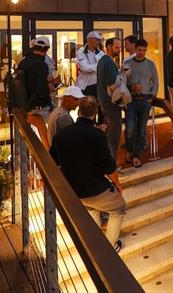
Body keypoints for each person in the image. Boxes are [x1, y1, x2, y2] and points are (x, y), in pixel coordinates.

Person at [50, 96, 125, 251]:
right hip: (93, 189)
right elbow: (109, 167)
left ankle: (94, 242)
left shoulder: (61, 135)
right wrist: (117, 184)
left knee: (92, 208)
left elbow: (52, 162)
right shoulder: (96, 136)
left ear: (79, 111)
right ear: (95, 113)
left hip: (72, 190)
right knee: (119, 207)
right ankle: (110, 248)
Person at [124, 39, 158, 168]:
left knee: (141, 128)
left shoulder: (151, 64)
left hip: (145, 100)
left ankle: (136, 155)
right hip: (131, 100)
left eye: (144, 50)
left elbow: (156, 81)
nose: (142, 53)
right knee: (130, 128)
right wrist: (131, 87)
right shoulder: (127, 64)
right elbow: (122, 82)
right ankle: (129, 150)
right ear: (135, 49)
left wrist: (152, 96)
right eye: (139, 50)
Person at [15, 37, 54, 150]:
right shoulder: (42, 65)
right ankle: (51, 154)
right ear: (47, 49)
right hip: (36, 106)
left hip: (23, 105)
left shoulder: (23, 62)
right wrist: (50, 87)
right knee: (58, 119)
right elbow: (41, 91)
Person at [96, 37, 123, 162]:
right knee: (113, 136)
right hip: (111, 104)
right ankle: (112, 166)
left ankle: (108, 164)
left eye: (120, 47)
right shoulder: (108, 62)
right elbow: (113, 86)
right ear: (108, 47)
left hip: (105, 103)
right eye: (117, 47)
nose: (119, 50)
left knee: (108, 135)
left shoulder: (104, 61)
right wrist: (124, 77)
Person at [75, 31, 104, 98]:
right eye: (97, 40)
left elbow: (103, 67)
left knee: (97, 106)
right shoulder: (80, 52)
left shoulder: (101, 53)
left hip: (97, 85)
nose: (98, 42)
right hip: (84, 86)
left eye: (99, 40)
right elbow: (84, 68)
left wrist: (91, 68)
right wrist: (98, 66)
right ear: (89, 40)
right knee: (85, 106)